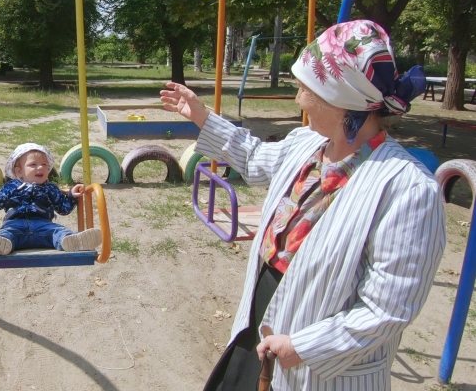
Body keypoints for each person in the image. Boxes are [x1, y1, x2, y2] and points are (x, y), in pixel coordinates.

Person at [161, 20, 446, 390]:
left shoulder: (407, 190)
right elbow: (254, 157)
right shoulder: (308, 144)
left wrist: (303, 346)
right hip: (260, 322)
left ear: (340, 98)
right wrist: (202, 116)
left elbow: (388, 309)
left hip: (323, 365)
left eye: (305, 85)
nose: (297, 95)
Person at [0, 143, 102, 255]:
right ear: (19, 171)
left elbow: (63, 208)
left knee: (58, 231)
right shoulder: (11, 187)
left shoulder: (50, 188)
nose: (40, 168)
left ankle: (71, 241)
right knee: (6, 233)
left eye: (44, 165)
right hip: (15, 225)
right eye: (33, 165)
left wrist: (72, 196)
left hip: (44, 226)